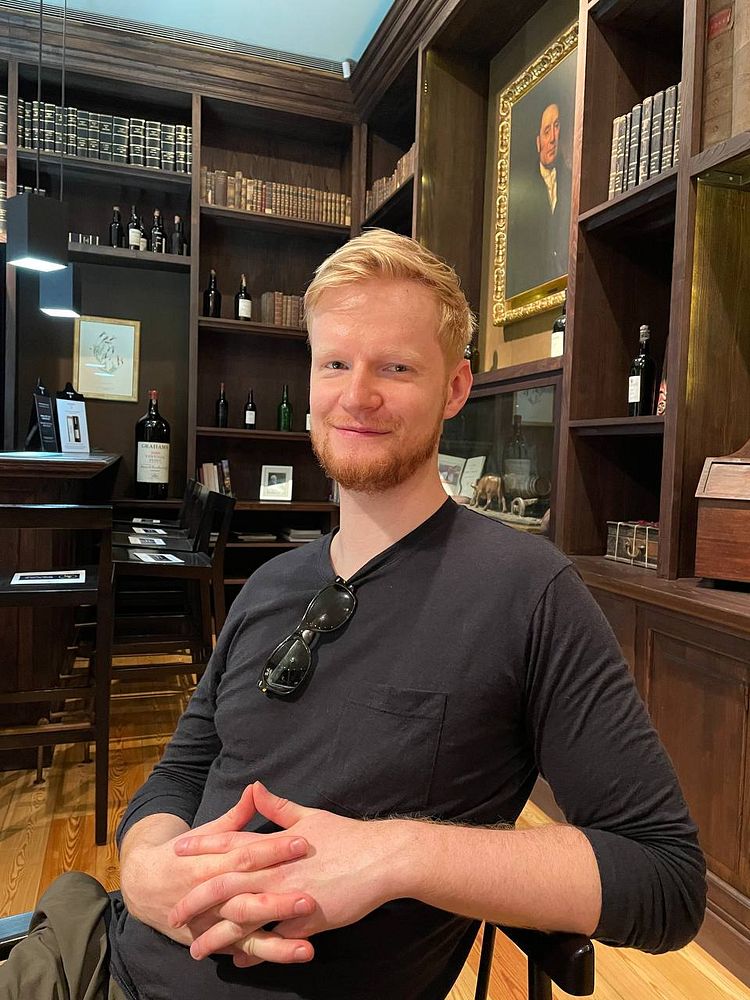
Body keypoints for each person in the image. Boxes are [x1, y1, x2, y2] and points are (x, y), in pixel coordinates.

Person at [1, 229, 705, 1000]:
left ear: (455, 389)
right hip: (95, 961)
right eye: (335, 363)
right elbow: (181, 770)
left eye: (395, 367)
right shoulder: (269, 585)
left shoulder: (527, 593)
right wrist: (144, 868)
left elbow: (665, 876)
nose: (357, 394)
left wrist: (398, 855)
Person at [506, 101, 572, 299]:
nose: (552, 138)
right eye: (546, 131)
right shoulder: (522, 197)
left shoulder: (573, 181)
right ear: (538, 142)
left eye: (557, 126)